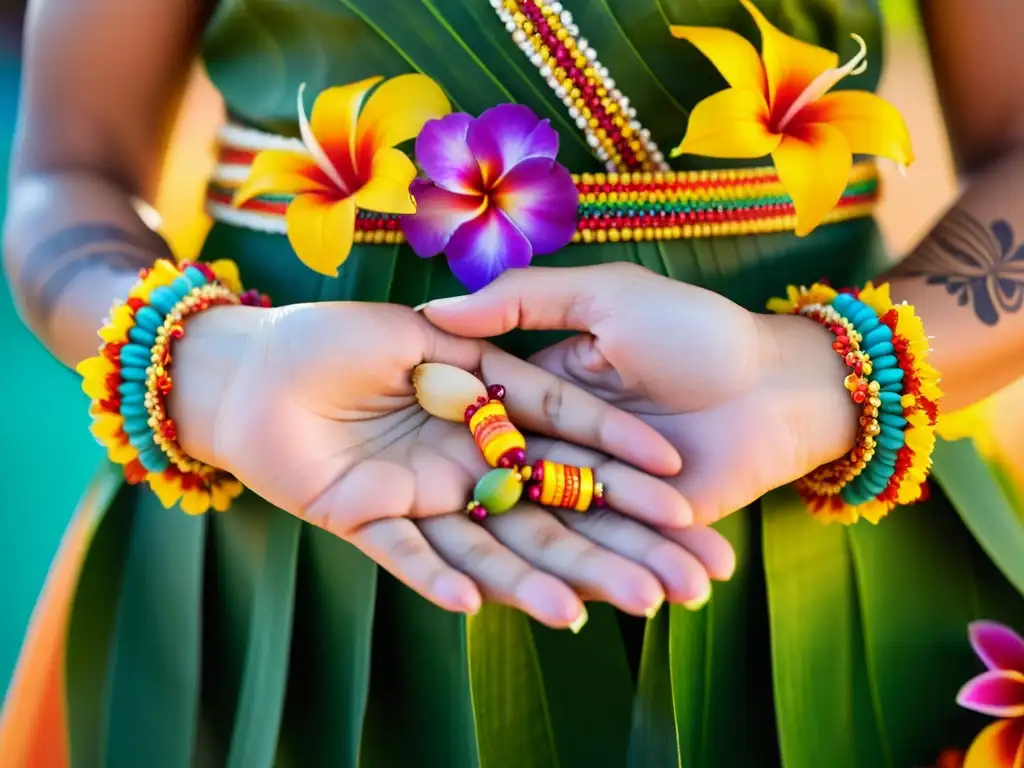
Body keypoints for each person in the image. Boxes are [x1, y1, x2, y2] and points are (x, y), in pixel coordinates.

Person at [2, 0, 1023, 765]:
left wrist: (817, 378)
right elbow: (67, 170)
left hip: (799, 527)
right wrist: (211, 371)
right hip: (291, 511)